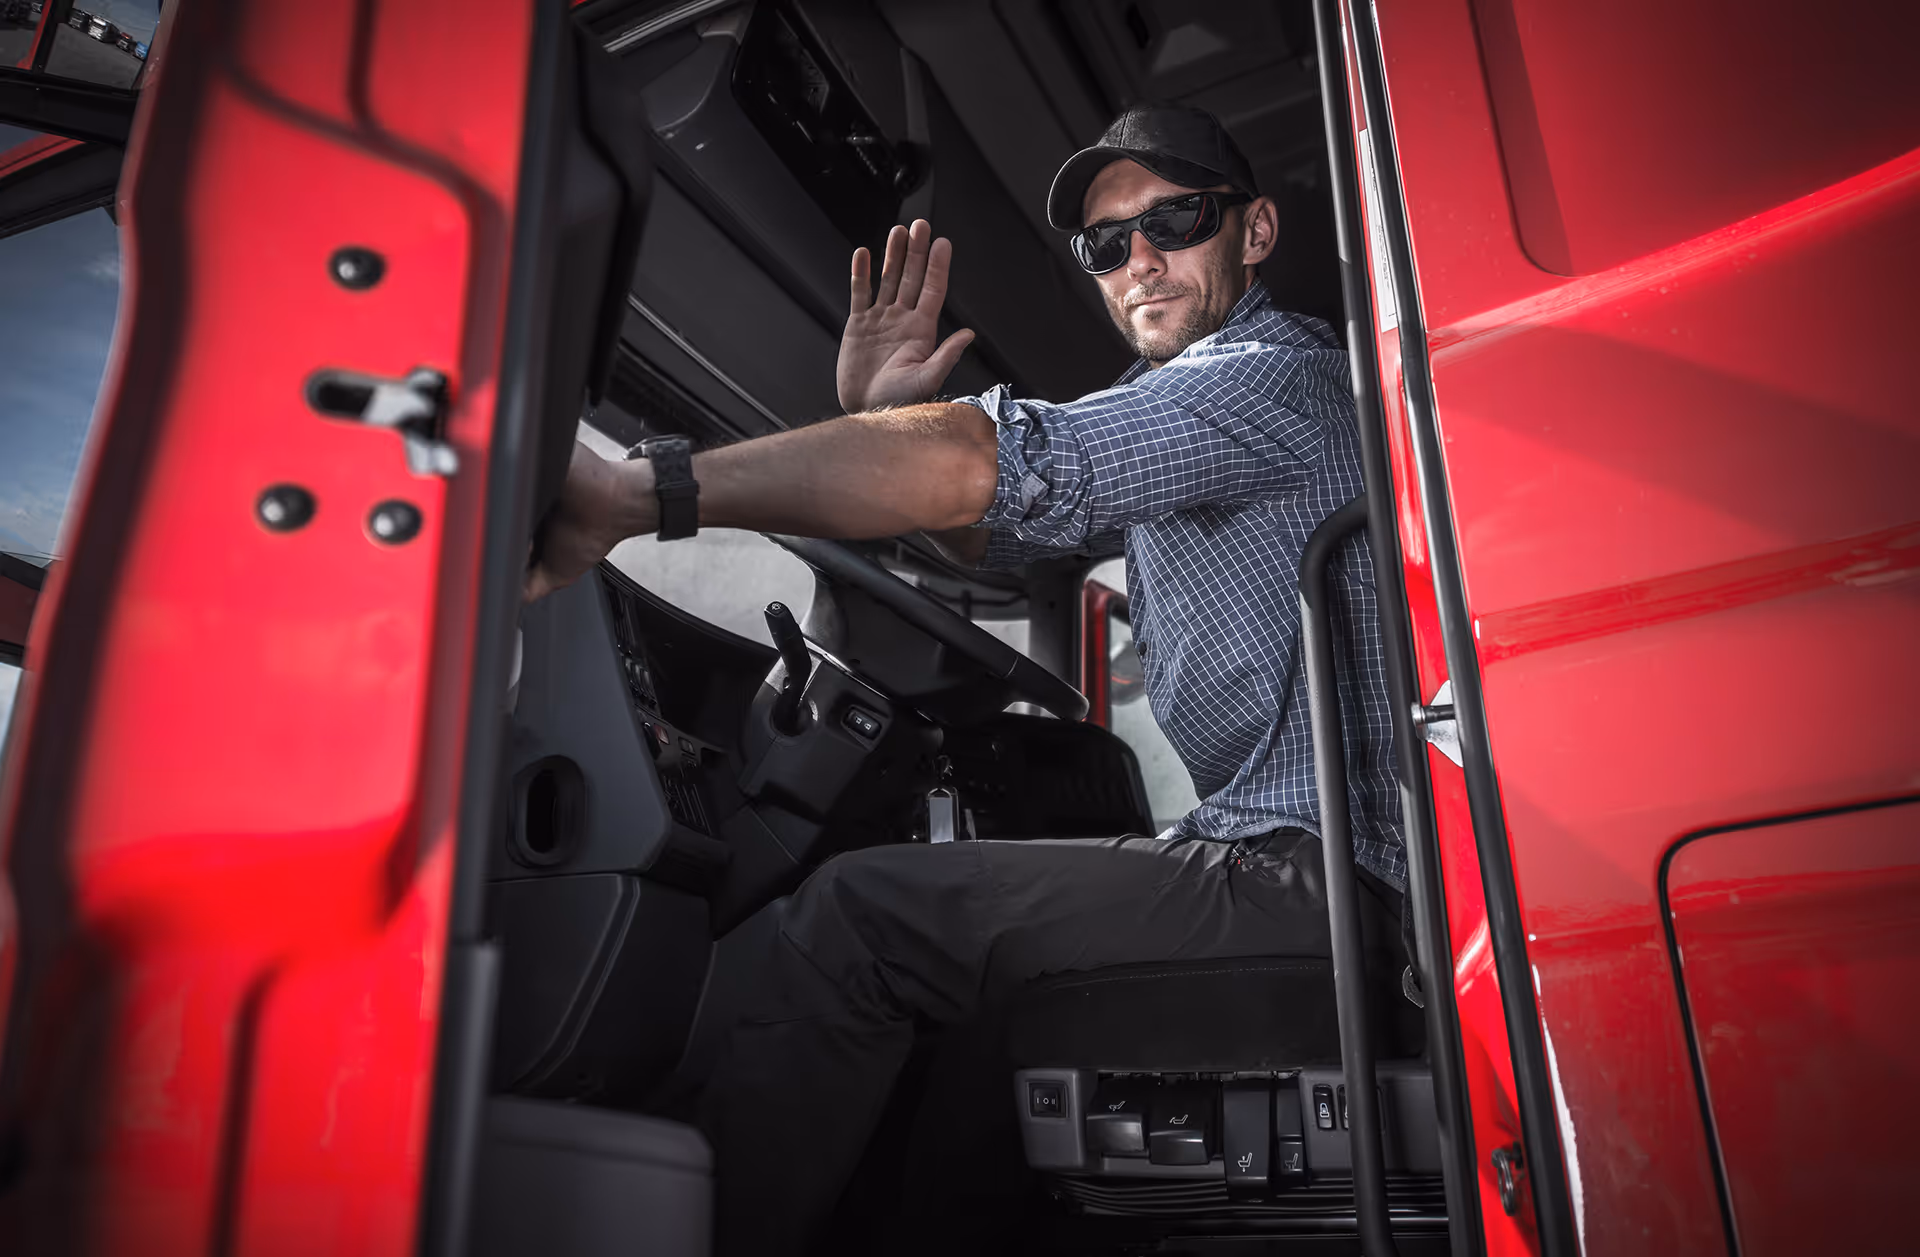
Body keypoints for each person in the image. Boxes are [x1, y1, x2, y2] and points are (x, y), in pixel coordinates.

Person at [529, 104, 1405, 1254]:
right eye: (1104, 244)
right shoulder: (1217, 410)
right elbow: (983, 536)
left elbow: (984, 470)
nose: (1137, 260)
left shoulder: (1265, 380)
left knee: (859, 917)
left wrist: (640, 493)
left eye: (1173, 221)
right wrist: (886, 419)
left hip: (1330, 884)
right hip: (1295, 863)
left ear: (1252, 232)